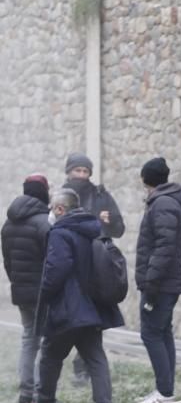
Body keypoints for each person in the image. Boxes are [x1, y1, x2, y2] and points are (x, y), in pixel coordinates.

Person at [19, 189, 123, 403]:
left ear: (59, 209)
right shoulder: (93, 228)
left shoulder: (61, 232)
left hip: (67, 309)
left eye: (52, 209)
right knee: (95, 358)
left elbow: (57, 269)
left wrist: (44, 293)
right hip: (92, 307)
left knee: (49, 356)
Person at [134, 157, 181, 403]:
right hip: (165, 282)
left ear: (146, 179)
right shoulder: (166, 202)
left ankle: (164, 391)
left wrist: (151, 283)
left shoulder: (162, 204)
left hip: (161, 284)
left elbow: (164, 247)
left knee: (151, 334)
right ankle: (165, 389)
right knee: (162, 331)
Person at [63, 152, 125, 386]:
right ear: (68, 172)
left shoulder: (101, 195)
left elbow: (119, 229)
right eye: (77, 171)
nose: (81, 175)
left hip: (97, 266)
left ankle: (84, 365)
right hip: (70, 263)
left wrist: (109, 221)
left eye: (85, 171)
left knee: (94, 319)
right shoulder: (62, 196)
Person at [2, 174, 51, 403]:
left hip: (22, 292)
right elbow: (54, 260)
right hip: (44, 293)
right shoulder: (45, 222)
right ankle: (42, 395)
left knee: (28, 339)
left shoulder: (8, 223)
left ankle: (25, 393)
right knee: (47, 341)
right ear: (44, 192)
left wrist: (17, 283)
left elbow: (7, 262)